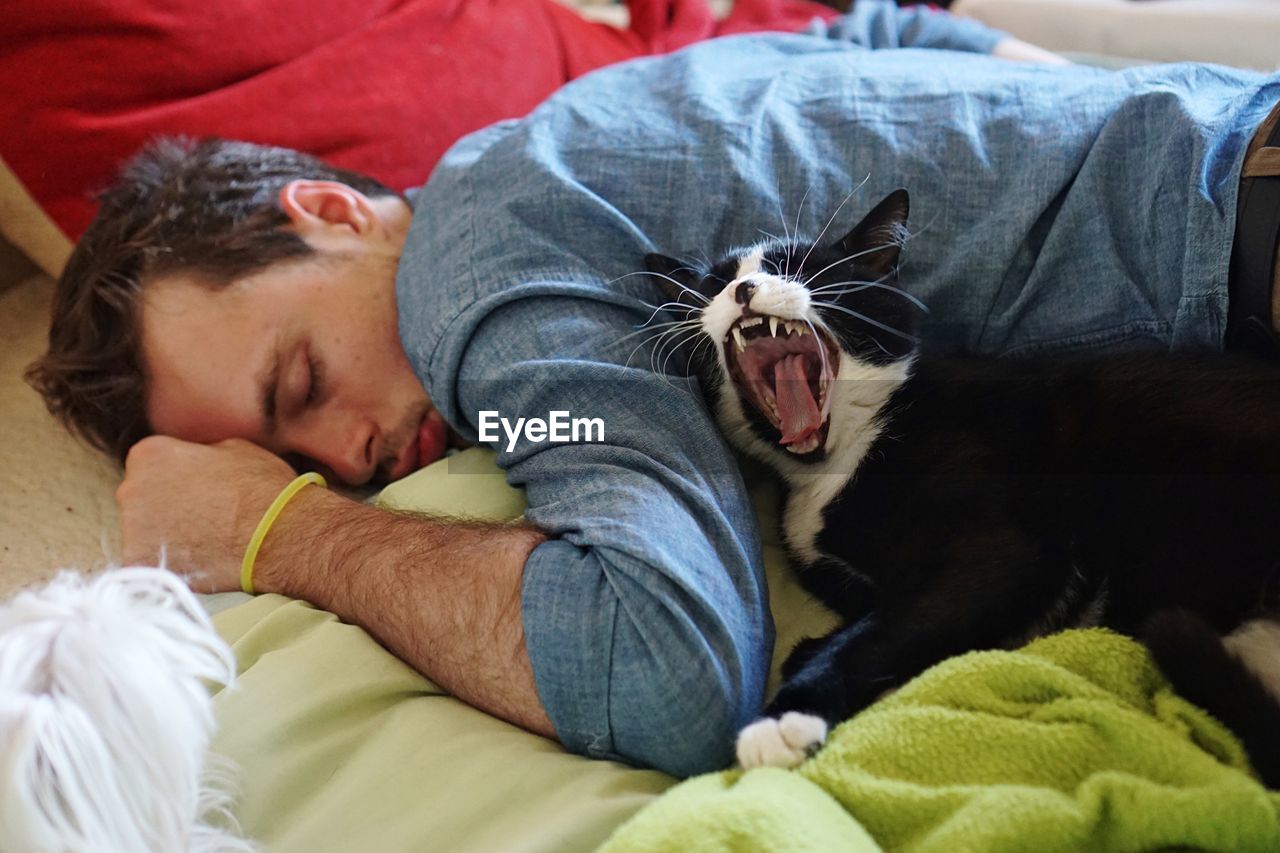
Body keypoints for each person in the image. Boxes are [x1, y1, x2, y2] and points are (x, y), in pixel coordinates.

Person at [26, 2, 1280, 777]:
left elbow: (666, 667)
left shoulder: (476, 285)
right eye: (303, 465)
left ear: (331, 212)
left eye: (298, 382)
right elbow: (883, 34)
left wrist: (282, 530)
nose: (353, 450)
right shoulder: (590, 127)